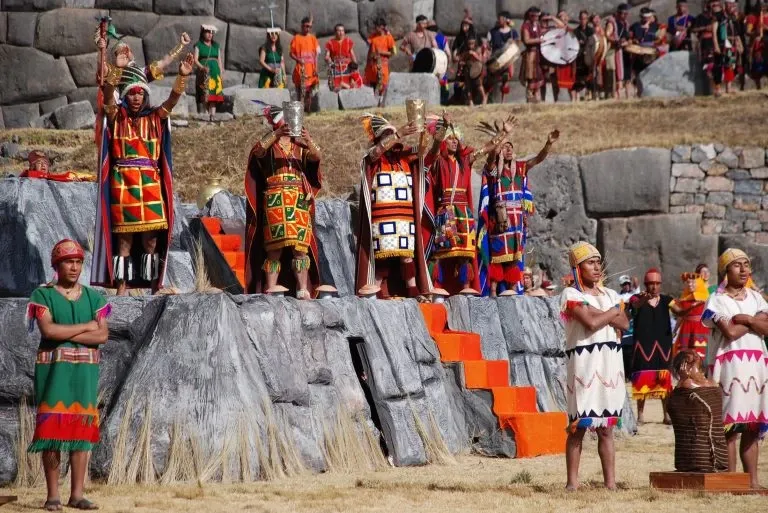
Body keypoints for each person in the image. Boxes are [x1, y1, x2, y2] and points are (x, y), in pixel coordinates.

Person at [91, 55, 193, 295]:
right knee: (124, 240)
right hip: (123, 183)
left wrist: (182, 76)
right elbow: (107, 95)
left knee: (151, 240)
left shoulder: (156, 117)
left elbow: (173, 100)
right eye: (131, 93)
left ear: (145, 95)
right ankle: (121, 288)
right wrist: (116, 68)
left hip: (150, 182)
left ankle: (153, 287)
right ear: (126, 95)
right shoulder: (117, 117)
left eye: (140, 93)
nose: (136, 97)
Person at [27, 239, 110, 511]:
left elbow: (103, 334)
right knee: (52, 430)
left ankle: (77, 494)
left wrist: (71, 330)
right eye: (68, 262)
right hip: (54, 372)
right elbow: (48, 332)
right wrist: (86, 326)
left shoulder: (95, 298)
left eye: (77, 262)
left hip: (84, 373)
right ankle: (53, 496)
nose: (74, 267)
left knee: (81, 431)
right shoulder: (44, 295)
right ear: (57, 265)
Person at [560, 241, 628, 491]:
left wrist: (608, 314)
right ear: (578, 268)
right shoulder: (571, 295)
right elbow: (590, 322)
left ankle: (610, 484)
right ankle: (572, 484)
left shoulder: (610, 294)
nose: (597, 267)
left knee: (606, 429)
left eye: (599, 262)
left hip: (609, 366)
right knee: (578, 426)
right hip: (584, 367)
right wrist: (613, 312)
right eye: (591, 262)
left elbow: (625, 324)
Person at [702, 248, 768, 488]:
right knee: (731, 425)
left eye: (746, 265)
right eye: (737, 265)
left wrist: (748, 319)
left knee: (752, 423)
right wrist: (756, 321)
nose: (743, 270)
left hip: (757, 366)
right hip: (730, 366)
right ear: (725, 270)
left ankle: (752, 482)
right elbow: (729, 332)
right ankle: (731, 480)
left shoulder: (756, 298)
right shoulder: (716, 300)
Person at [244, 104, 322, 299]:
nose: (288, 125)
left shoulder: (300, 145)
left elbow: (317, 157)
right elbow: (258, 152)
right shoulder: (270, 144)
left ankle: (302, 288)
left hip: (298, 200)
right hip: (275, 199)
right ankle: (271, 288)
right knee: (274, 249)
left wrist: (309, 140)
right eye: (284, 122)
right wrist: (277, 134)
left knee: (300, 249)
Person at [355, 114, 433, 299]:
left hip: (405, 216)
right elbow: (374, 153)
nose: (391, 138)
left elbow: (425, 153)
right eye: (386, 135)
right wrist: (398, 133)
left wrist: (427, 133)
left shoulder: (404, 158)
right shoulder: (374, 159)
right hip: (382, 216)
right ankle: (374, 291)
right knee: (383, 256)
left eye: (392, 134)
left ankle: (413, 291)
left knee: (407, 256)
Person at [427, 115, 506, 295]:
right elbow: (433, 146)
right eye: (451, 139)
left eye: (456, 139)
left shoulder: (465, 161)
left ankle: (465, 289)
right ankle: (436, 290)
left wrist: (503, 133)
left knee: (466, 254)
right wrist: (445, 125)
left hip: (464, 212)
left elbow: (486, 148)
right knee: (440, 253)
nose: (455, 142)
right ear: (444, 142)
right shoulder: (438, 160)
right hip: (445, 211)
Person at [478, 128, 559, 297]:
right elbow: (491, 157)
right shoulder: (494, 171)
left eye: (510, 147)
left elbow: (538, 159)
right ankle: (493, 292)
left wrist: (548, 144)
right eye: (504, 147)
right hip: (500, 219)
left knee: (515, 257)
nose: (508, 150)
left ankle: (513, 291)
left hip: (517, 222)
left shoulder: (521, 168)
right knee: (498, 255)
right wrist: (499, 141)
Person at [667, 349, 729, 472]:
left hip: (716, 444)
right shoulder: (686, 384)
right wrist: (684, 377)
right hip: (696, 454)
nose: (696, 357)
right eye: (690, 359)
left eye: (696, 356)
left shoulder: (709, 381)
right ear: (683, 365)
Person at [627, 269, 674, 425]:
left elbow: (679, 310)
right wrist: (642, 300)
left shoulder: (667, 300)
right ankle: (640, 415)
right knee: (643, 377)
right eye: (651, 284)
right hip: (643, 344)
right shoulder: (636, 298)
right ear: (646, 284)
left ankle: (666, 415)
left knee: (664, 379)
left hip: (663, 344)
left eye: (656, 284)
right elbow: (633, 308)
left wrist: (693, 305)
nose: (654, 287)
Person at [670, 272, 709, 360]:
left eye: (693, 282)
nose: (690, 284)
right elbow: (681, 316)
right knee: (684, 354)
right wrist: (675, 330)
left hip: (700, 329)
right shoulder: (684, 299)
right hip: (686, 328)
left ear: (698, 283)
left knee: (699, 353)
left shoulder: (705, 299)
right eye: (688, 282)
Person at [291, 16, 321, 112]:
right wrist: (299, 60)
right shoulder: (296, 38)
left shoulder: (313, 39)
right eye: (306, 26)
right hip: (301, 69)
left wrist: (316, 68)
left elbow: (316, 55)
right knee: (300, 91)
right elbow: (291, 53)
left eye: (309, 27)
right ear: (302, 26)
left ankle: (308, 110)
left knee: (309, 92)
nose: (308, 28)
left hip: (311, 69)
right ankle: (300, 111)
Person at [194, 25, 224, 120]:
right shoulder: (198, 45)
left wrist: (221, 72)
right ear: (203, 33)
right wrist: (202, 67)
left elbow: (219, 60)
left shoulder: (216, 46)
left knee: (214, 94)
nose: (210, 34)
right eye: (208, 32)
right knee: (205, 93)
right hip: (204, 72)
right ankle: (207, 115)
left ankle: (213, 116)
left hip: (215, 71)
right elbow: (195, 60)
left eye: (211, 33)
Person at [364, 18, 397, 105]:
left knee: (383, 84)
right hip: (372, 65)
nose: (375, 28)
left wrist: (381, 52)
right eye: (375, 27)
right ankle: (373, 103)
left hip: (383, 65)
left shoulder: (388, 38)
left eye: (377, 26)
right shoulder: (373, 36)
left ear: (382, 27)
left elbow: (394, 52)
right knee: (373, 84)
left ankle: (382, 104)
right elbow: (369, 46)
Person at [630, 7, 661, 95]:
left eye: (647, 17)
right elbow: (630, 37)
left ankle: (650, 92)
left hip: (651, 53)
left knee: (651, 73)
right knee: (638, 73)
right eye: (644, 17)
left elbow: (660, 38)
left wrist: (655, 42)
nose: (645, 19)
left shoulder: (656, 26)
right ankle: (640, 92)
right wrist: (633, 40)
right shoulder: (635, 26)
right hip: (638, 53)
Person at [605, 4, 632, 99]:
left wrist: (628, 42)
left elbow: (629, 37)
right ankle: (617, 95)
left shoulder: (626, 24)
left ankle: (628, 96)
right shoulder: (612, 22)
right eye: (623, 14)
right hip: (615, 51)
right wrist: (616, 41)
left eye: (626, 14)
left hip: (625, 51)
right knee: (616, 74)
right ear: (619, 13)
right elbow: (607, 35)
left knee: (627, 74)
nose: (625, 16)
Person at [520, 7, 546, 103]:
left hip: (538, 54)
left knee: (538, 77)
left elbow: (541, 35)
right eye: (535, 16)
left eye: (537, 16)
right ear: (531, 16)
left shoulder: (537, 25)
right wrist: (538, 40)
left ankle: (537, 100)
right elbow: (526, 40)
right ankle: (530, 99)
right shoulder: (526, 26)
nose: (537, 18)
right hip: (530, 54)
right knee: (531, 76)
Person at [325, 24, 360, 92]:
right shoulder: (330, 43)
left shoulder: (348, 41)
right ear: (335, 32)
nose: (341, 33)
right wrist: (329, 61)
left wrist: (356, 67)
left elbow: (352, 54)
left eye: (342, 31)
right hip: (336, 68)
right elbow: (327, 56)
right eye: (339, 31)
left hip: (347, 68)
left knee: (350, 86)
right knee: (336, 88)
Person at [573, 11, 596, 100]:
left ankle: (589, 95)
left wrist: (586, 43)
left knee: (589, 77)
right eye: (582, 18)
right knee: (579, 78)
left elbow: (593, 43)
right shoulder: (576, 31)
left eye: (585, 18)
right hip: (579, 57)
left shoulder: (591, 30)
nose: (583, 20)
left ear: (587, 19)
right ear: (579, 19)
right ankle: (578, 97)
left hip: (589, 57)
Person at [745, 0, 768, 89]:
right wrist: (756, 33)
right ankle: (758, 87)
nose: (763, 6)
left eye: (765, 3)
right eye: (762, 4)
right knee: (758, 67)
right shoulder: (752, 17)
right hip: (757, 44)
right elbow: (748, 31)